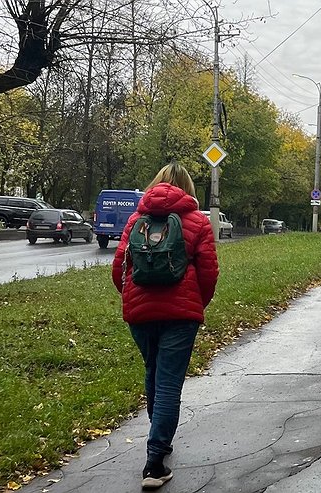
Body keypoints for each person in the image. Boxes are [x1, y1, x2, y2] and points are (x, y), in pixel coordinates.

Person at [111, 163, 219, 490]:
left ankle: (160, 441)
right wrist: (196, 305)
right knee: (169, 382)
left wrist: (131, 296)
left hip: (141, 314)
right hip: (181, 315)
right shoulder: (197, 220)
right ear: (187, 187)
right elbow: (209, 273)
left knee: (152, 370)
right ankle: (155, 461)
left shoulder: (135, 220)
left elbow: (119, 268)